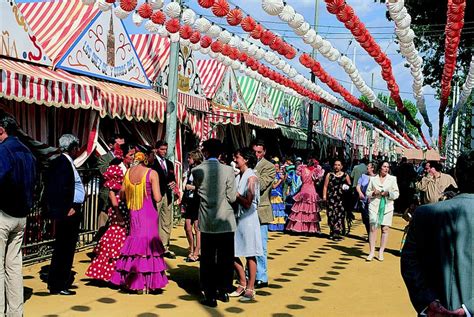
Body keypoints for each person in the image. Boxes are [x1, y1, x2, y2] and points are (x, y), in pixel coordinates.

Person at [401, 151, 474, 317]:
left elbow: (409, 261)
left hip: (434, 310)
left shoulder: (424, 214)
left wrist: (428, 301)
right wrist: (468, 309)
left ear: (456, 175)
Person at [110, 151, 168, 293]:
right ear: (146, 160)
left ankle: (134, 282)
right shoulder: (151, 173)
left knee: (135, 247)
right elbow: (158, 197)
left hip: (134, 213)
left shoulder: (128, 172)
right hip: (148, 213)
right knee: (149, 247)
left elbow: (122, 194)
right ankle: (149, 283)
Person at [192, 139, 237, 307]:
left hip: (207, 219)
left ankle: (209, 293)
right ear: (220, 153)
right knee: (226, 257)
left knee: (208, 258)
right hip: (225, 219)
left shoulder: (197, 170)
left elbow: (198, 191)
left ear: (205, 152)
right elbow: (232, 197)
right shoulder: (228, 170)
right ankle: (223, 290)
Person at [0, 111, 36, 316]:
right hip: (21, 215)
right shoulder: (27, 151)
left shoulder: (4, 151)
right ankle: (15, 312)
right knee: (14, 267)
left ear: (1, 130)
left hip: (4, 213)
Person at [85, 144, 136, 282]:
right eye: (130, 155)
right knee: (115, 238)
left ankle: (120, 273)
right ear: (123, 155)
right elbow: (112, 193)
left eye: (133, 155)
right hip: (118, 207)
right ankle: (107, 273)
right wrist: (117, 211)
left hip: (127, 206)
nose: (133, 158)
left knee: (124, 239)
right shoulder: (116, 168)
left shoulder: (129, 169)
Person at [44, 134, 84, 295]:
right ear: (73, 148)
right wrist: (68, 207)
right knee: (64, 249)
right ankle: (58, 284)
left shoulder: (66, 162)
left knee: (66, 248)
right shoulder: (62, 163)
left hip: (71, 210)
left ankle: (60, 281)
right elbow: (58, 189)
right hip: (67, 212)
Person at [229, 148, 263, 302]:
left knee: (250, 252)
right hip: (236, 218)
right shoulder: (238, 176)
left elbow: (248, 203)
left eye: (237, 157)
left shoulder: (252, 178)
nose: (235, 159)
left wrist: (235, 195)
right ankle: (242, 282)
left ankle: (250, 287)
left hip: (248, 220)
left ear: (246, 160)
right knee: (232, 252)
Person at [252, 140, 276, 289]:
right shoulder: (248, 164)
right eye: (254, 151)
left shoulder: (269, 166)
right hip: (247, 210)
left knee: (261, 245)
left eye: (259, 152)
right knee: (249, 245)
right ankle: (250, 274)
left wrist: (250, 172)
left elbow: (262, 185)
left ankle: (262, 276)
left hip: (261, 210)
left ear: (264, 152)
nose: (256, 155)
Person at [365, 161, 399, 262]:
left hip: (387, 206)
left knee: (385, 229)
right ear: (380, 168)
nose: (386, 169)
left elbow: (396, 194)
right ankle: (371, 252)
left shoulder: (392, 179)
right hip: (374, 206)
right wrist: (373, 193)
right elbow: (367, 193)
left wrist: (388, 193)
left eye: (387, 167)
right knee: (373, 228)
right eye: (384, 166)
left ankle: (381, 251)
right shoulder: (372, 179)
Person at [151, 140, 177, 259]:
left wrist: (173, 183)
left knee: (166, 221)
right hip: (156, 194)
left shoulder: (169, 163)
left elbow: (172, 177)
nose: (164, 152)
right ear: (156, 149)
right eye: (162, 149)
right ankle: (153, 246)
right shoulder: (152, 162)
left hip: (168, 194)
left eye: (165, 149)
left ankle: (164, 247)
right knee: (154, 220)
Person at [286, 159, 325, 234]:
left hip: (304, 189)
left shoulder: (302, 169)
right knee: (310, 210)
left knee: (300, 209)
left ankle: (298, 228)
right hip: (311, 190)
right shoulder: (316, 170)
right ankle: (309, 229)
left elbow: (300, 177)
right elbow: (317, 181)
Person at [96, 134, 125, 234]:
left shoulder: (125, 158)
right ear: (111, 145)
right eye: (119, 145)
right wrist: (114, 162)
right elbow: (103, 171)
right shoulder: (103, 158)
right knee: (104, 224)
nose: (121, 147)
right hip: (108, 196)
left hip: (122, 197)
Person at [182, 150, 203, 262]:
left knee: (196, 227)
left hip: (197, 200)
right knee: (187, 227)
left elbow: (204, 187)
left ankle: (196, 251)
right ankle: (191, 248)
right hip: (189, 200)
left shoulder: (200, 170)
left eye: (189, 158)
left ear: (194, 158)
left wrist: (193, 188)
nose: (188, 160)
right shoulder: (190, 170)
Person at [322, 160, 351, 241]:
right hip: (331, 199)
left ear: (341, 166)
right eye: (335, 165)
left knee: (339, 216)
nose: (337, 166)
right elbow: (325, 186)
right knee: (331, 215)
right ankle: (332, 230)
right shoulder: (329, 175)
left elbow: (350, 186)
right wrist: (324, 196)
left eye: (338, 165)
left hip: (341, 199)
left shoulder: (345, 175)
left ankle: (337, 232)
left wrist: (347, 188)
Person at [355, 162, 376, 237]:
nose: (367, 168)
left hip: (374, 200)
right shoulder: (363, 176)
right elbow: (358, 186)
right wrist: (360, 193)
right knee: (366, 218)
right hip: (364, 200)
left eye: (368, 167)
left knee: (373, 218)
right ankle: (369, 233)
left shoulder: (377, 177)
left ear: (372, 168)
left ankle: (372, 234)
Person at [268, 158, 286, 232]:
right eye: (275, 167)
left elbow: (284, 184)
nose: (276, 168)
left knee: (279, 211)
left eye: (277, 167)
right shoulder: (272, 175)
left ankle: (279, 226)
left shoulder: (279, 175)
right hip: (273, 194)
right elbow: (274, 186)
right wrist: (280, 180)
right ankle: (272, 226)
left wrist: (283, 178)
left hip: (279, 194)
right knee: (273, 210)